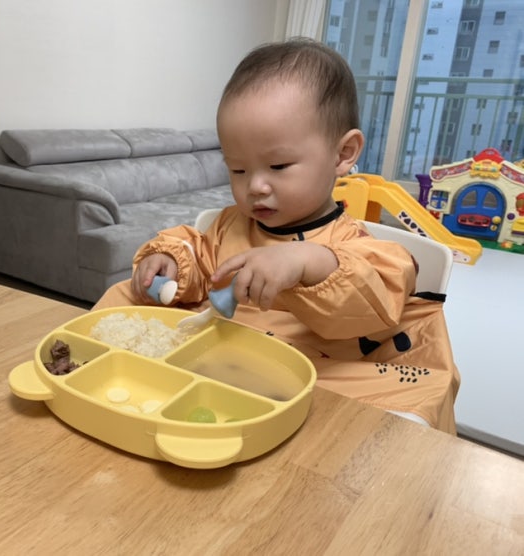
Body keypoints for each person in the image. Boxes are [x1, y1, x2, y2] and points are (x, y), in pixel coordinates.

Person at [93, 38, 460, 433]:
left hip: (316, 371)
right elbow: (196, 253)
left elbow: (379, 286)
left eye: (279, 165)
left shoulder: (352, 241)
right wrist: (169, 262)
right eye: (238, 170)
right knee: (124, 295)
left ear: (343, 154)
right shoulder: (229, 226)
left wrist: (308, 262)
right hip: (218, 356)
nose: (255, 186)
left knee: (413, 396)